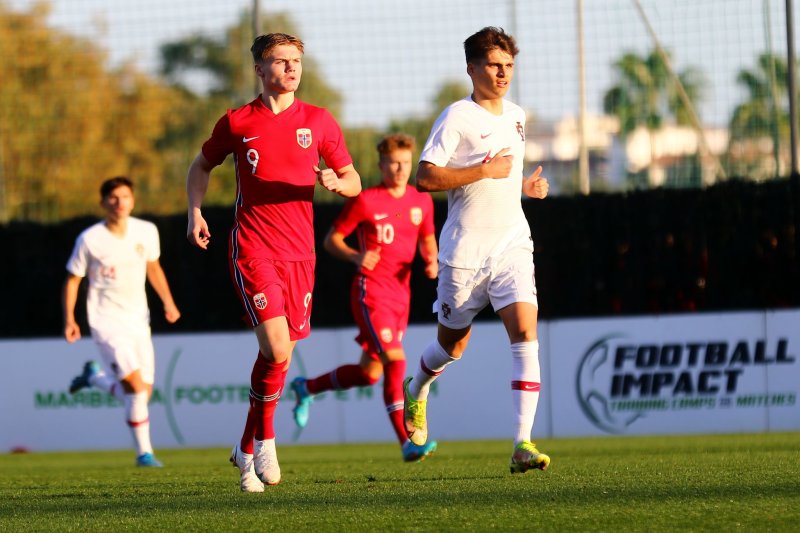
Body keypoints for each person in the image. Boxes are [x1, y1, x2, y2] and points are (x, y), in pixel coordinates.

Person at [186, 33, 361, 493]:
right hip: (254, 248)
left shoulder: (319, 122)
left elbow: (355, 178)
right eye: (280, 61)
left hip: (300, 255)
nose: (290, 68)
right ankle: (266, 439)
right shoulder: (239, 121)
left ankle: (245, 446)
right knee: (279, 348)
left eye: (296, 61)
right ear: (259, 70)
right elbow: (201, 166)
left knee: (277, 354)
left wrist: (340, 183)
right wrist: (195, 211)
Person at [402, 27, 552, 474]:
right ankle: (418, 387)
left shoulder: (518, 116)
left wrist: (524, 187)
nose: (503, 72)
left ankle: (522, 443)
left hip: (511, 244)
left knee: (526, 333)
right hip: (465, 253)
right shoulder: (456, 117)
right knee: (452, 347)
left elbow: (504, 179)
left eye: (508, 65)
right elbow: (425, 178)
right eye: (493, 64)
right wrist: (484, 171)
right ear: (471, 68)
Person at [290, 133, 439, 462]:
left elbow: (428, 241)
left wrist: (431, 260)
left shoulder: (421, 201)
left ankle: (306, 388)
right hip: (370, 292)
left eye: (404, 163)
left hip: (401, 297)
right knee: (397, 362)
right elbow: (332, 240)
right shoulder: (366, 200)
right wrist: (356, 257)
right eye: (393, 163)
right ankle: (407, 442)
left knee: (368, 373)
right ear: (381, 164)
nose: (399, 169)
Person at [63, 176, 181, 468]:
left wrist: (168, 301)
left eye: (125, 196)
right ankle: (145, 454)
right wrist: (70, 318)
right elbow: (73, 280)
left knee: (141, 392)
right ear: (103, 203)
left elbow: (153, 267)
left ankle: (95, 378)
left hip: (139, 320)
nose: (120, 203)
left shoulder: (146, 231)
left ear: (133, 200)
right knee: (137, 389)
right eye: (113, 198)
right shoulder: (90, 239)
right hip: (106, 321)